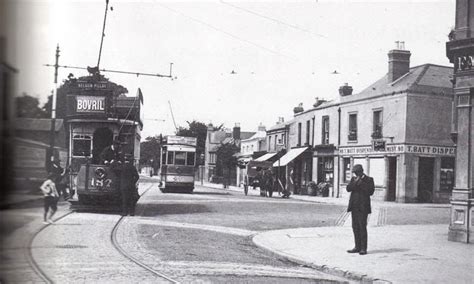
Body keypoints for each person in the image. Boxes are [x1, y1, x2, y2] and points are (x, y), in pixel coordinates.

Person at [346, 164, 375, 255]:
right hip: (354, 206)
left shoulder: (369, 180)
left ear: (361, 171)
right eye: (355, 173)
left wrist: (361, 182)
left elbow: (370, 192)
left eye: (357, 173)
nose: (355, 174)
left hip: (363, 207)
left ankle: (363, 248)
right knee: (355, 227)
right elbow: (348, 189)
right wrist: (355, 182)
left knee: (362, 227)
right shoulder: (353, 179)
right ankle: (357, 246)